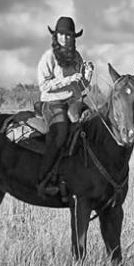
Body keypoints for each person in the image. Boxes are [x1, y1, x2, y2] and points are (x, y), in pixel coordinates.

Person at [36, 15, 94, 196]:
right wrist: (68, 79)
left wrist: (87, 76)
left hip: (74, 102)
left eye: (69, 35)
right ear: (56, 36)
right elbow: (44, 85)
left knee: (93, 128)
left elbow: (81, 87)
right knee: (60, 132)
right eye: (62, 34)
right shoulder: (49, 57)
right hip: (52, 102)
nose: (66, 38)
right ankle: (44, 179)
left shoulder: (77, 57)